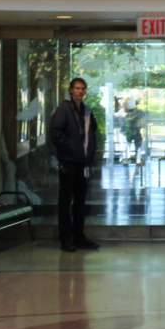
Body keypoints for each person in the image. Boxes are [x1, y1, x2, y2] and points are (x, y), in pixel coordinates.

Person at [49, 77, 100, 252]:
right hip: (69, 161)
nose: (80, 91)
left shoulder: (86, 110)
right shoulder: (64, 108)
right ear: (71, 90)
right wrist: (69, 147)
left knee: (80, 201)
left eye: (83, 88)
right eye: (77, 88)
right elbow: (55, 131)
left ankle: (79, 236)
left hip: (82, 162)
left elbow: (92, 132)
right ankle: (66, 239)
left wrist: (89, 152)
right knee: (65, 201)